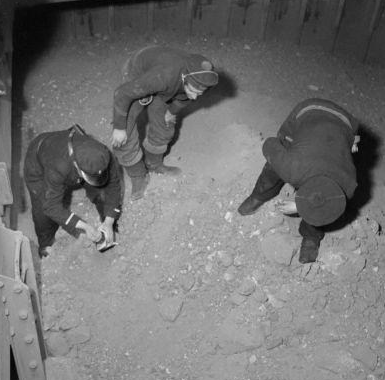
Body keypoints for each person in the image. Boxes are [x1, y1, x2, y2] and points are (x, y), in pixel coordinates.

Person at [237, 98, 360, 264]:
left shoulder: (349, 185)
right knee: (276, 163)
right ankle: (259, 195)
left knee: (321, 211)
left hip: (347, 124)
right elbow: (270, 144)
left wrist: (299, 205)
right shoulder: (292, 167)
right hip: (308, 110)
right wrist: (283, 153)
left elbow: (323, 203)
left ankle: (311, 236)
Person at [111, 45, 219, 200]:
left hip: (164, 81)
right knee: (124, 135)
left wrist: (172, 111)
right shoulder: (163, 77)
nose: (195, 98)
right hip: (139, 72)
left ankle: (153, 164)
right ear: (184, 79)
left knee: (165, 123)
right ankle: (138, 176)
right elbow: (122, 94)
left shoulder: (194, 77)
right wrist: (119, 127)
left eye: (200, 93)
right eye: (194, 91)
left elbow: (184, 97)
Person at [24, 124, 123, 258]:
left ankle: (105, 221)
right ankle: (46, 244)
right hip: (38, 162)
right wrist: (84, 227)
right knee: (42, 208)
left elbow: (114, 185)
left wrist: (109, 221)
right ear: (77, 167)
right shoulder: (59, 166)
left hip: (70, 153)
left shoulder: (103, 154)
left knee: (102, 188)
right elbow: (51, 207)